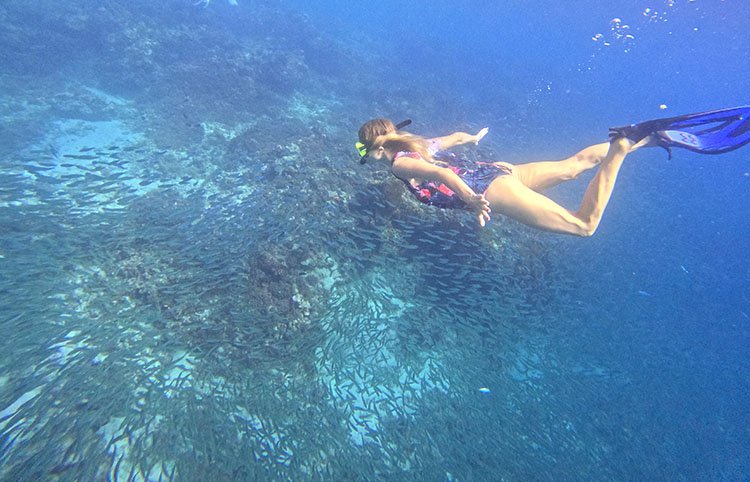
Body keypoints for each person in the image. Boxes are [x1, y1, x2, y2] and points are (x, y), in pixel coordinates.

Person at [356, 106, 750, 236]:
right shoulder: (422, 144)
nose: (368, 159)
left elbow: (442, 177)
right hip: (496, 169)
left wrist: (472, 200)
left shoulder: (400, 164)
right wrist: (475, 137)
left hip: (488, 189)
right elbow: (456, 136)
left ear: (376, 148)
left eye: (365, 152)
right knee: (572, 166)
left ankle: (623, 148)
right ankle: (649, 139)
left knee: (584, 226)